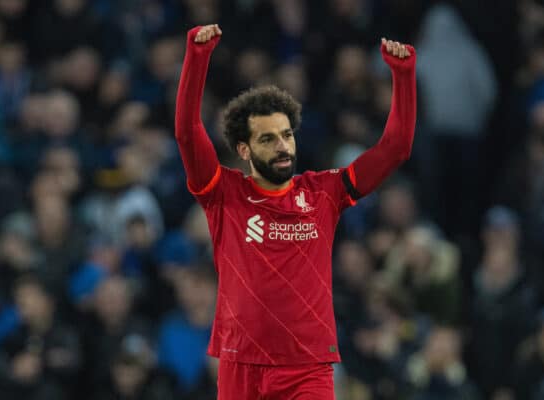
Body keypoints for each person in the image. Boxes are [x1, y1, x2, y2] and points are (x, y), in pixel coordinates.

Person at [174, 23, 416, 399]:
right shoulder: (224, 193)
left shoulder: (324, 192)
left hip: (308, 367)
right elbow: (188, 133)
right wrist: (197, 57)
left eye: (287, 135)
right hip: (241, 365)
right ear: (244, 150)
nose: (283, 146)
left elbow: (395, 148)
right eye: (267, 139)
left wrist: (402, 77)